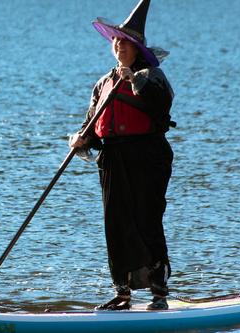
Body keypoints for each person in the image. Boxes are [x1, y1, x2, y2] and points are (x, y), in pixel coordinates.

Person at [69, 0, 175, 311]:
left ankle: (159, 293)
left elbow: (161, 107)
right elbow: (92, 121)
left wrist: (134, 79)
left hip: (147, 157)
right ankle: (122, 293)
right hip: (113, 160)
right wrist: (80, 139)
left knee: (146, 220)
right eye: (116, 41)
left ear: (137, 49)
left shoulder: (152, 76)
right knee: (115, 224)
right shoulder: (103, 82)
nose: (119, 46)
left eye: (126, 42)